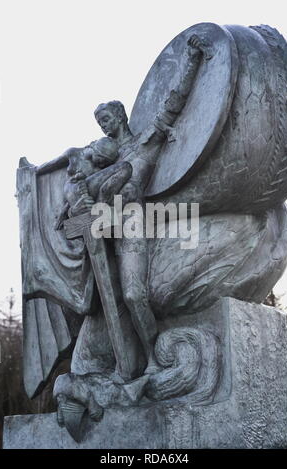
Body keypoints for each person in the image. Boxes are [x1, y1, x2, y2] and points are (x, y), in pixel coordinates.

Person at [94, 34, 207, 373]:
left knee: (133, 296)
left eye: (106, 119)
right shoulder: (104, 158)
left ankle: (157, 360)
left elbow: (174, 102)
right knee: (110, 306)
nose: (103, 125)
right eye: (100, 124)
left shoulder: (145, 143)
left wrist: (192, 58)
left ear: (120, 115)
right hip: (106, 234)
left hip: (135, 226)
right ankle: (124, 366)